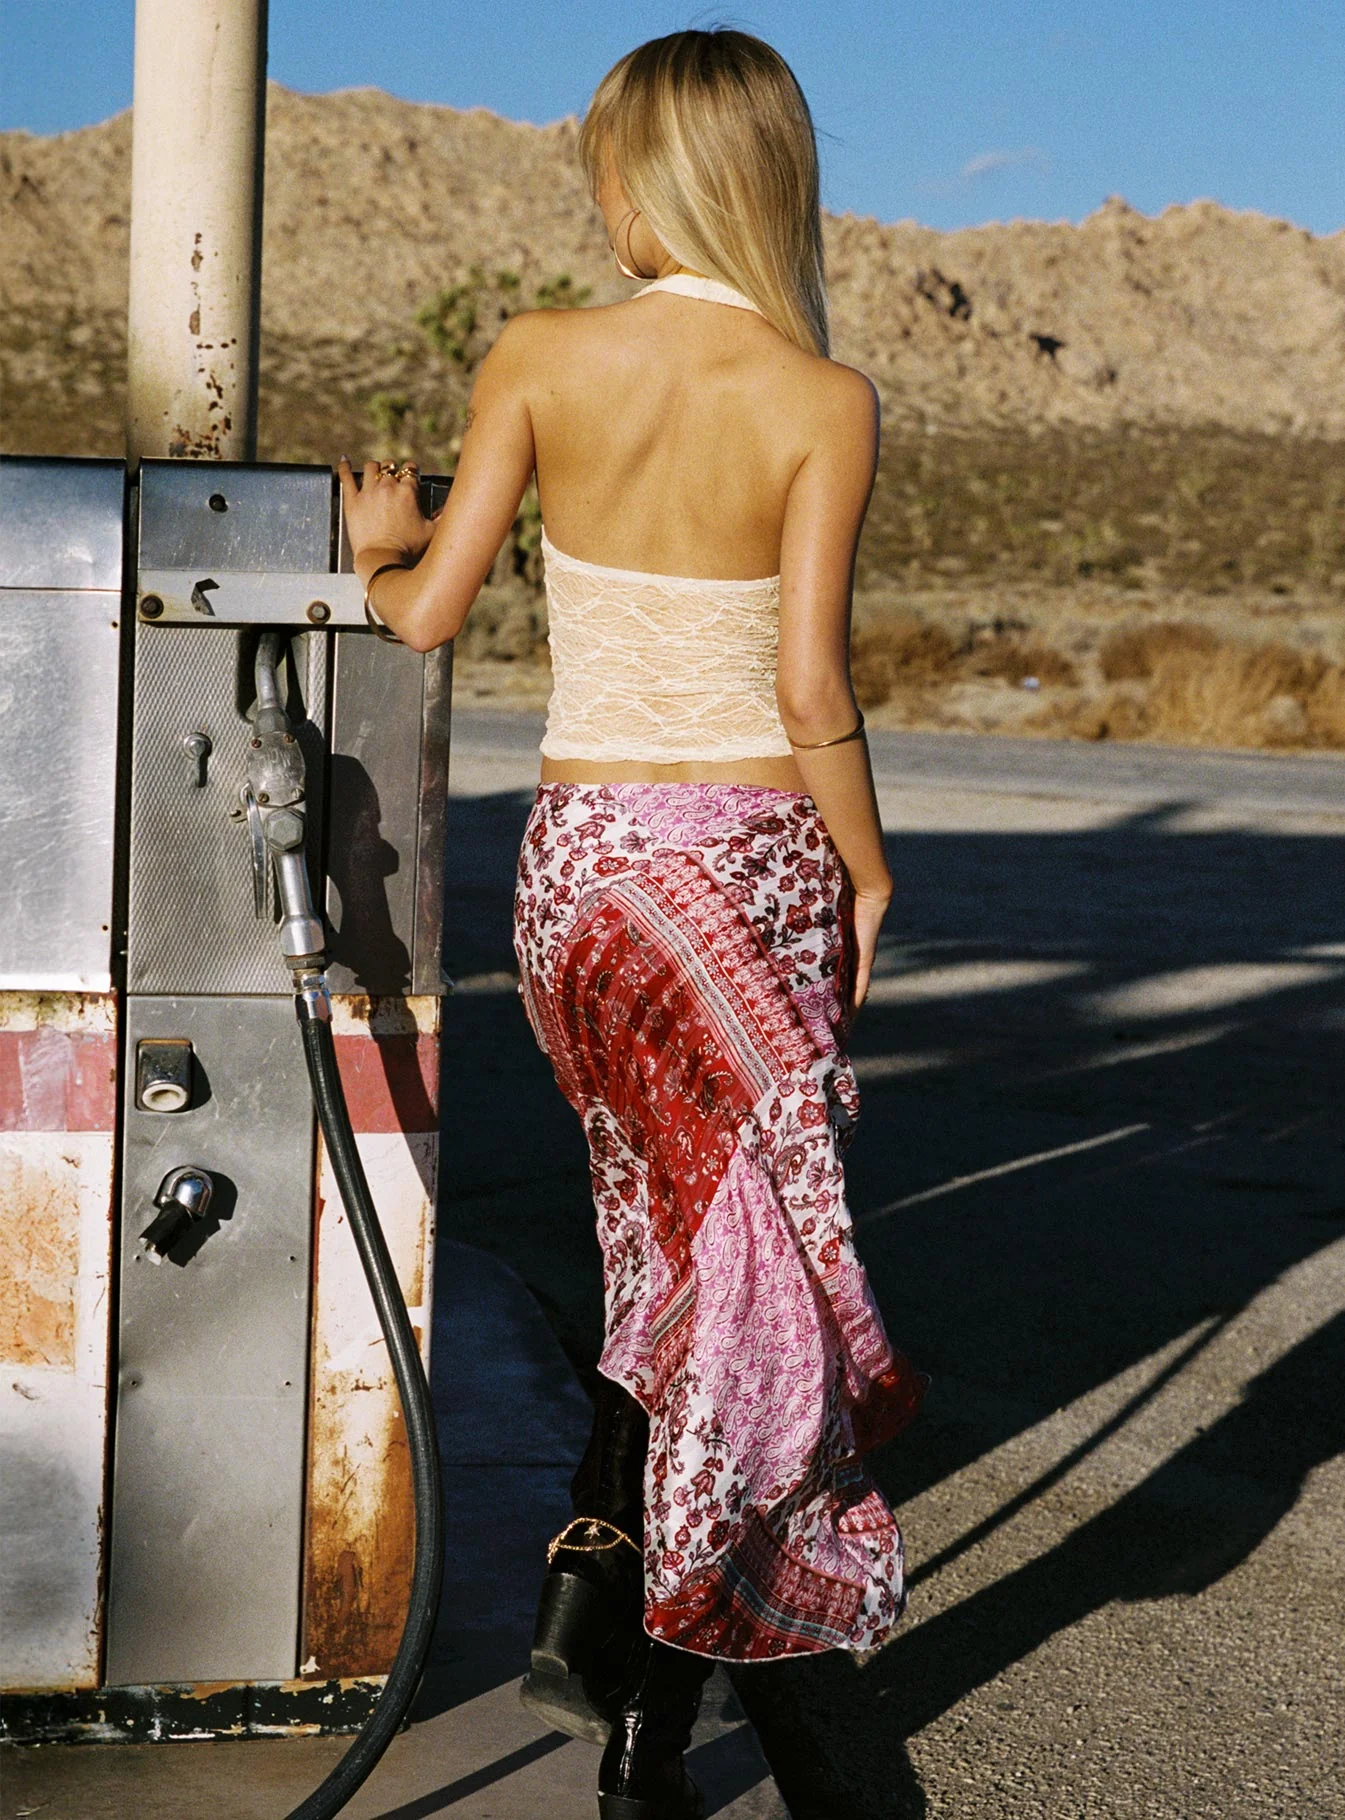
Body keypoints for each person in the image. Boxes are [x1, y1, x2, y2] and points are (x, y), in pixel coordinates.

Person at [339, 28, 926, 1820]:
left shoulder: (538, 355)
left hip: (585, 881)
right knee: (740, 1293)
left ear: (645, 179)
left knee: (668, 1260)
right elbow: (811, 689)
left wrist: (376, 542)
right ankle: (644, 1734)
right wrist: (869, 871)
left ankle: (610, 1589)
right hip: (745, 872)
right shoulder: (823, 399)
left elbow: (424, 617)